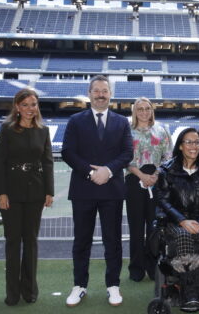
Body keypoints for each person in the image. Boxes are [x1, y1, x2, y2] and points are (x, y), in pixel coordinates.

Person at [61, 75, 133, 307]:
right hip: (84, 189)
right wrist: (91, 173)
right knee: (82, 241)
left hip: (111, 190)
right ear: (89, 94)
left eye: (105, 91)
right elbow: (68, 152)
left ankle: (113, 285)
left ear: (110, 94)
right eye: (96, 91)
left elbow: (126, 154)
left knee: (112, 241)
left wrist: (108, 171)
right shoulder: (75, 120)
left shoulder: (122, 122)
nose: (101, 95)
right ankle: (79, 286)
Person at [0, 88, 54, 305]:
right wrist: (0, 192)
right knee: (13, 243)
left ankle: (29, 291)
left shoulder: (43, 130)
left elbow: (47, 162)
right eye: (26, 104)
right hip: (10, 193)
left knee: (31, 243)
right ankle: (12, 293)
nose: (30, 109)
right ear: (17, 107)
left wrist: (49, 191)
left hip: (36, 193)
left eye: (34, 104)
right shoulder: (7, 129)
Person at [155, 128, 199, 312]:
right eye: (189, 142)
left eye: (197, 142)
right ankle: (190, 292)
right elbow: (162, 200)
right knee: (184, 237)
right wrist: (182, 221)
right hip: (177, 222)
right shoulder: (166, 170)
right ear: (180, 145)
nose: (194, 146)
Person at [126, 97, 172, 282]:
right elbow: (125, 157)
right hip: (134, 181)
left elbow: (168, 156)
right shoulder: (127, 131)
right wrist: (141, 176)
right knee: (136, 227)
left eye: (147, 108)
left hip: (156, 181)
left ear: (152, 110)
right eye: (140, 109)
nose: (144, 112)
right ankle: (136, 268)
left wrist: (156, 175)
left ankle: (154, 267)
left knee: (154, 227)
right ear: (135, 111)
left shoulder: (162, 130)